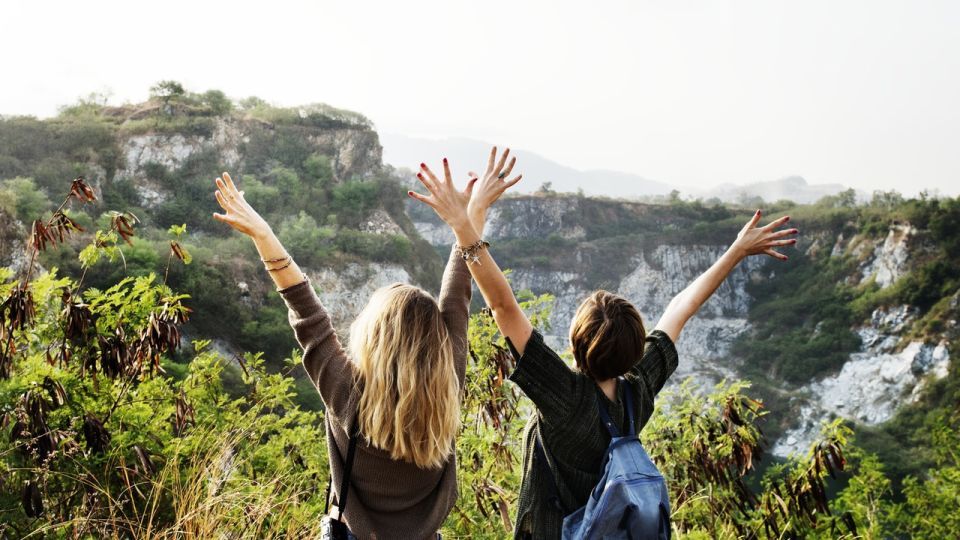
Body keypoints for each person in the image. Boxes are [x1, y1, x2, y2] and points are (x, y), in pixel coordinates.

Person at [408, 149, 798, 539]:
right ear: (634, 350)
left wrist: (463, 225)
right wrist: (736, 251)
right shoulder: (638, 390)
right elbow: (683, 308)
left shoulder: (566, 397)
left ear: (576, 342)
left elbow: (502, 305)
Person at [211, 168, 509, 539]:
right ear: (437, 345)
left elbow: (306, 311)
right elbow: (457, 295)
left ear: (373, 336)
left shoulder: (347, 393)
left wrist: (263, 233)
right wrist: (470, 217)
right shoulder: (448, 381)